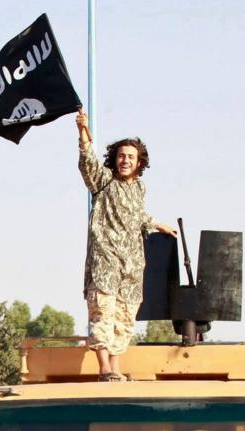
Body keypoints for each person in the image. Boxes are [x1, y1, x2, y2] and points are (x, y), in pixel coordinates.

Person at [76, 108, 177, 381]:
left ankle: (116, 366)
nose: (125, 161)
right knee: (103, 312)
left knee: (124, 316)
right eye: (121, 156)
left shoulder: (139, 188)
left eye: (131, 157)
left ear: (139, 161)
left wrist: (157, 224)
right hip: (105, 259)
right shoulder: (104, 181)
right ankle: (104, 368)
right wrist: (83, 131)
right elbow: (88, 162)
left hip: (132, 262)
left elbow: (137, 215)